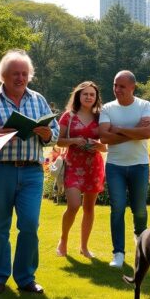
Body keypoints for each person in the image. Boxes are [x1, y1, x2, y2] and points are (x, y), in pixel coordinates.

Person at [0, 50, 59, 295]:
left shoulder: (38, 100)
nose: (20, 78)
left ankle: (26, 277)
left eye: (24, 73)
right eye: (15, 74)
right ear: (3, 75)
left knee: (30, 225)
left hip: (32, 172)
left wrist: (47, 134)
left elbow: (54, 133)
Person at [98, 70, 150, 268]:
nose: (117, 89)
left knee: (139, 210)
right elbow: (103, 137)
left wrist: (118, 129)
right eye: (115, 85)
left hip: (139, 165)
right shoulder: (107, 108)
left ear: (132, 87)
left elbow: (147, 132)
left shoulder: (144, 105)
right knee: (118, 209)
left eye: (122, 86)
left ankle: (141, 244)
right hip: (115, 166)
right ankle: (118, 253)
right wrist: (134, 131)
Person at [54, 81, 106, 258]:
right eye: (86, 94)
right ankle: (63, 240)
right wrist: (74, 141)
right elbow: (58, 141)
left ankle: (84, 247)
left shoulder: (101, 117)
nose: (89, 97)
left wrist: (97, 145)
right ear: (78, 96)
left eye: (92, 94)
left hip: (94, 166)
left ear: (96, 97)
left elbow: (106, 145)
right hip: (73, 165)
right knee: (74, 205)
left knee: (89, 208)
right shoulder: (68, 117)